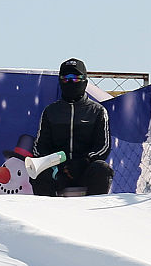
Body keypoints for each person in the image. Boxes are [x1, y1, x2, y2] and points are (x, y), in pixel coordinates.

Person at [31, 58, 112, 196]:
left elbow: (103, 146)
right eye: (66, 78)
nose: (70, 82)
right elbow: (39, 148)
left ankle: (96, 215)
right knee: (39, 174)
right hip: (58, 171)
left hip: (85, 170)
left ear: (85, 81)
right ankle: (45, 214)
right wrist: (57, 165)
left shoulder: (97, 111)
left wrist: (83, 162)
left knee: (102, 169)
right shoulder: (51, 111)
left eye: (75, 78)